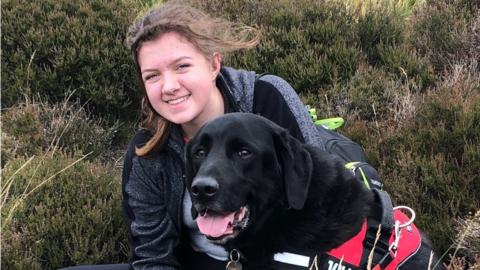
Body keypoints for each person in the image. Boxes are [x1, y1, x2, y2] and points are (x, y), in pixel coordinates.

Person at [120, 2, 328, 270]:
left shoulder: (267, 99)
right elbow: (152, 256)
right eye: (152, 76)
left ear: (213, 64)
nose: (169, 86)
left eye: (182, 66)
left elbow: (319, 198)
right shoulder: (146, 151)